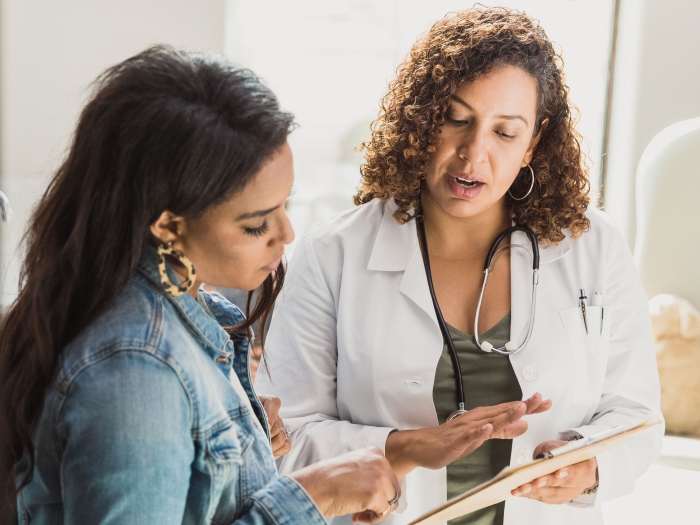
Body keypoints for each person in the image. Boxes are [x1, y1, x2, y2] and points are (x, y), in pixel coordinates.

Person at [255, 7, 663, 525]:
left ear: (533, 142)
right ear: (422, 120)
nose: (474, 154)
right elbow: (281, 438)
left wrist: (586, 466)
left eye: (505, 132)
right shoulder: (331, 254)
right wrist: (405, 447)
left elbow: (639, 418)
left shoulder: (593, 246)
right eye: (457, 119)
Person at [0, 45, 424, 524]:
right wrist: (311, 497)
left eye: (285, 205)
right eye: (255, 224)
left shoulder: (184, 312)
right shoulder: (136, 371)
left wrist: (247, 453)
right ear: (168, 225)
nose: (285, 235)